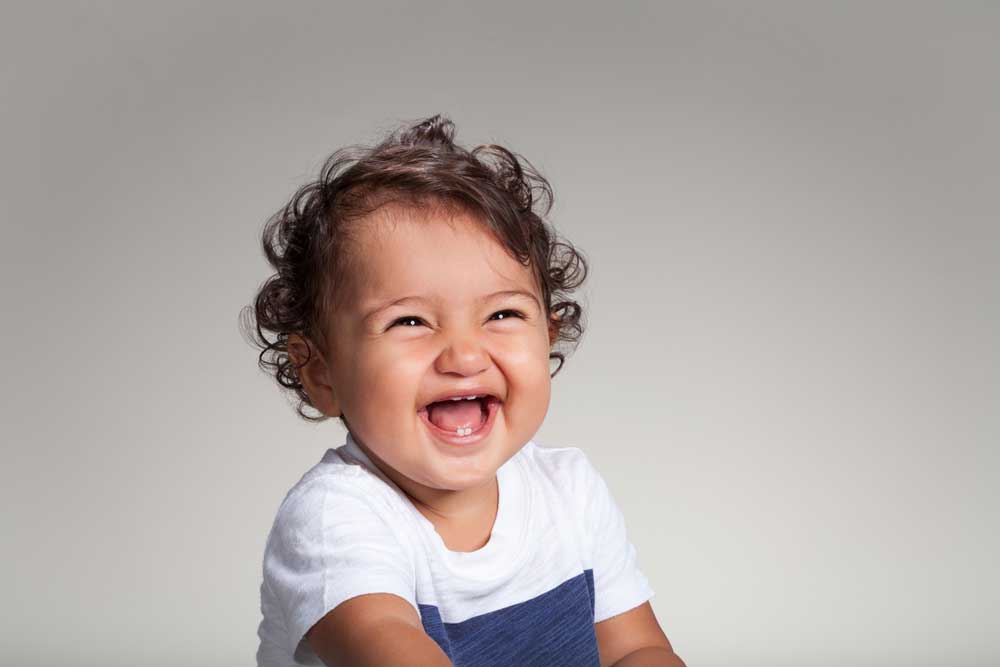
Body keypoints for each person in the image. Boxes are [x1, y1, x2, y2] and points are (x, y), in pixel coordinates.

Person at [243, 115, 685, 666]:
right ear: (321, 373)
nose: (465, 355)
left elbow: (637, 650)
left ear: (548, 335)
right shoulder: (335, 519)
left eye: (502, 313)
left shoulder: (570, 494)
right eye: (409, 322)